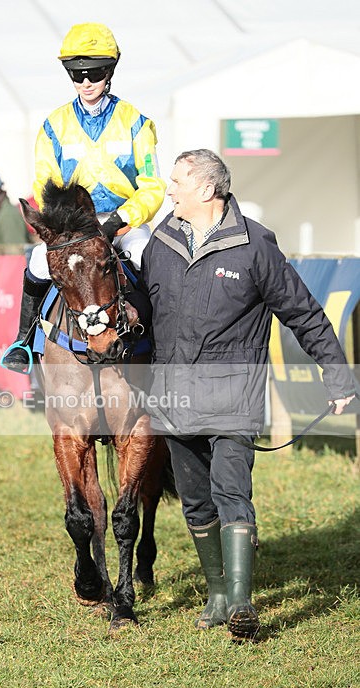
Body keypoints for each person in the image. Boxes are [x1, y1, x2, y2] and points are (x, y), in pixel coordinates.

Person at [141, 148, 356, 641]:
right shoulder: (161, 242)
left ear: (206, 189)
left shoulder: (256, 245)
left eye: (176, 181)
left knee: (231, 492)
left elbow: (304, 313)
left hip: (232, 398)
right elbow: (144, 315)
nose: (168, 189)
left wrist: (337, 374)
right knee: (196, 502)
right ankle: (217, 594)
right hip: (172, 399)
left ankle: (241, 602)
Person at [2, 21, 165, 371]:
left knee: (149, 259)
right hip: (74, 228)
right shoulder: (53, 126)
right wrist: (67, 225)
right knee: (37, 262)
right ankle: (23, 341)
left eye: (95, 73)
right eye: (78, 75)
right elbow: (45, 185)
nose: (87, 82)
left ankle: (166, 346)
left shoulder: (136, 122)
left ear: (110, 72)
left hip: (124, 222)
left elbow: (153, 186)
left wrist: (122, 219)